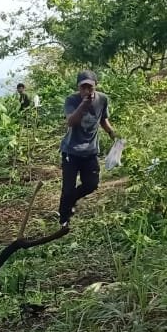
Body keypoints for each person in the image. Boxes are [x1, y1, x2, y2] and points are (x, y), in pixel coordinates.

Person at [59, 70, 117, 228]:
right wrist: (84, 104)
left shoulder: (102, 99)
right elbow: (71, 121)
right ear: (78, 87)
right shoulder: (71, 100)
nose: (86, 90)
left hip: (90, 151)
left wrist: (113, 134)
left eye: (90, 87)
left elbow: (103, 119)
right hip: (71, 151)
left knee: (92, 184)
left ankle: (71, 201)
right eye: (83, 87)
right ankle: (64, 219)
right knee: (68, 189)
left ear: (95, 86)